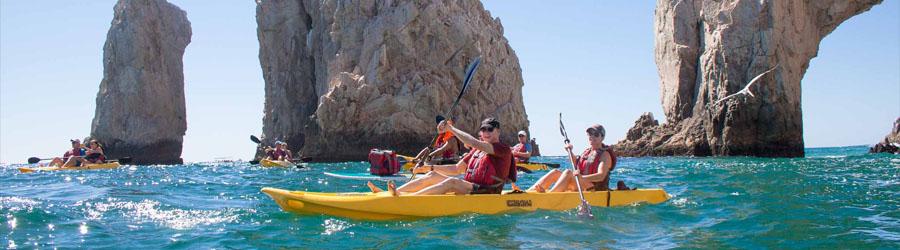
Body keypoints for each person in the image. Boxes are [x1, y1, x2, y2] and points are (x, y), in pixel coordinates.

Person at [369, 118, 514, 196]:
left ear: (498, 131)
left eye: (490, 129)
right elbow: (456, 169)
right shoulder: (476, 152)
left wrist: (450, 128)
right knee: (432, 175)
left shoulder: (502, 148)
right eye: (483, 129)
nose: (486, 132)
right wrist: (428, 167)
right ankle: (397, 192)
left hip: (487, 192)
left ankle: (408, 199)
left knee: (451, 182)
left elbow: (473, 142)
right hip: (472, 187)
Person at [528, 124, 623, 192]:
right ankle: (530, 192)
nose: (592, 136)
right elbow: (576, 163)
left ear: (602, 137)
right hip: (582, 183)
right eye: (590, 134)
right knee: (555, 172)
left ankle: (550, 195)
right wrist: (570, 151)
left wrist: (581, 177)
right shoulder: (588, 152)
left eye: (596, 134)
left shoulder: (605, 155)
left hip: (595, 189)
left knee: (568, 173)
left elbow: (601, 176)